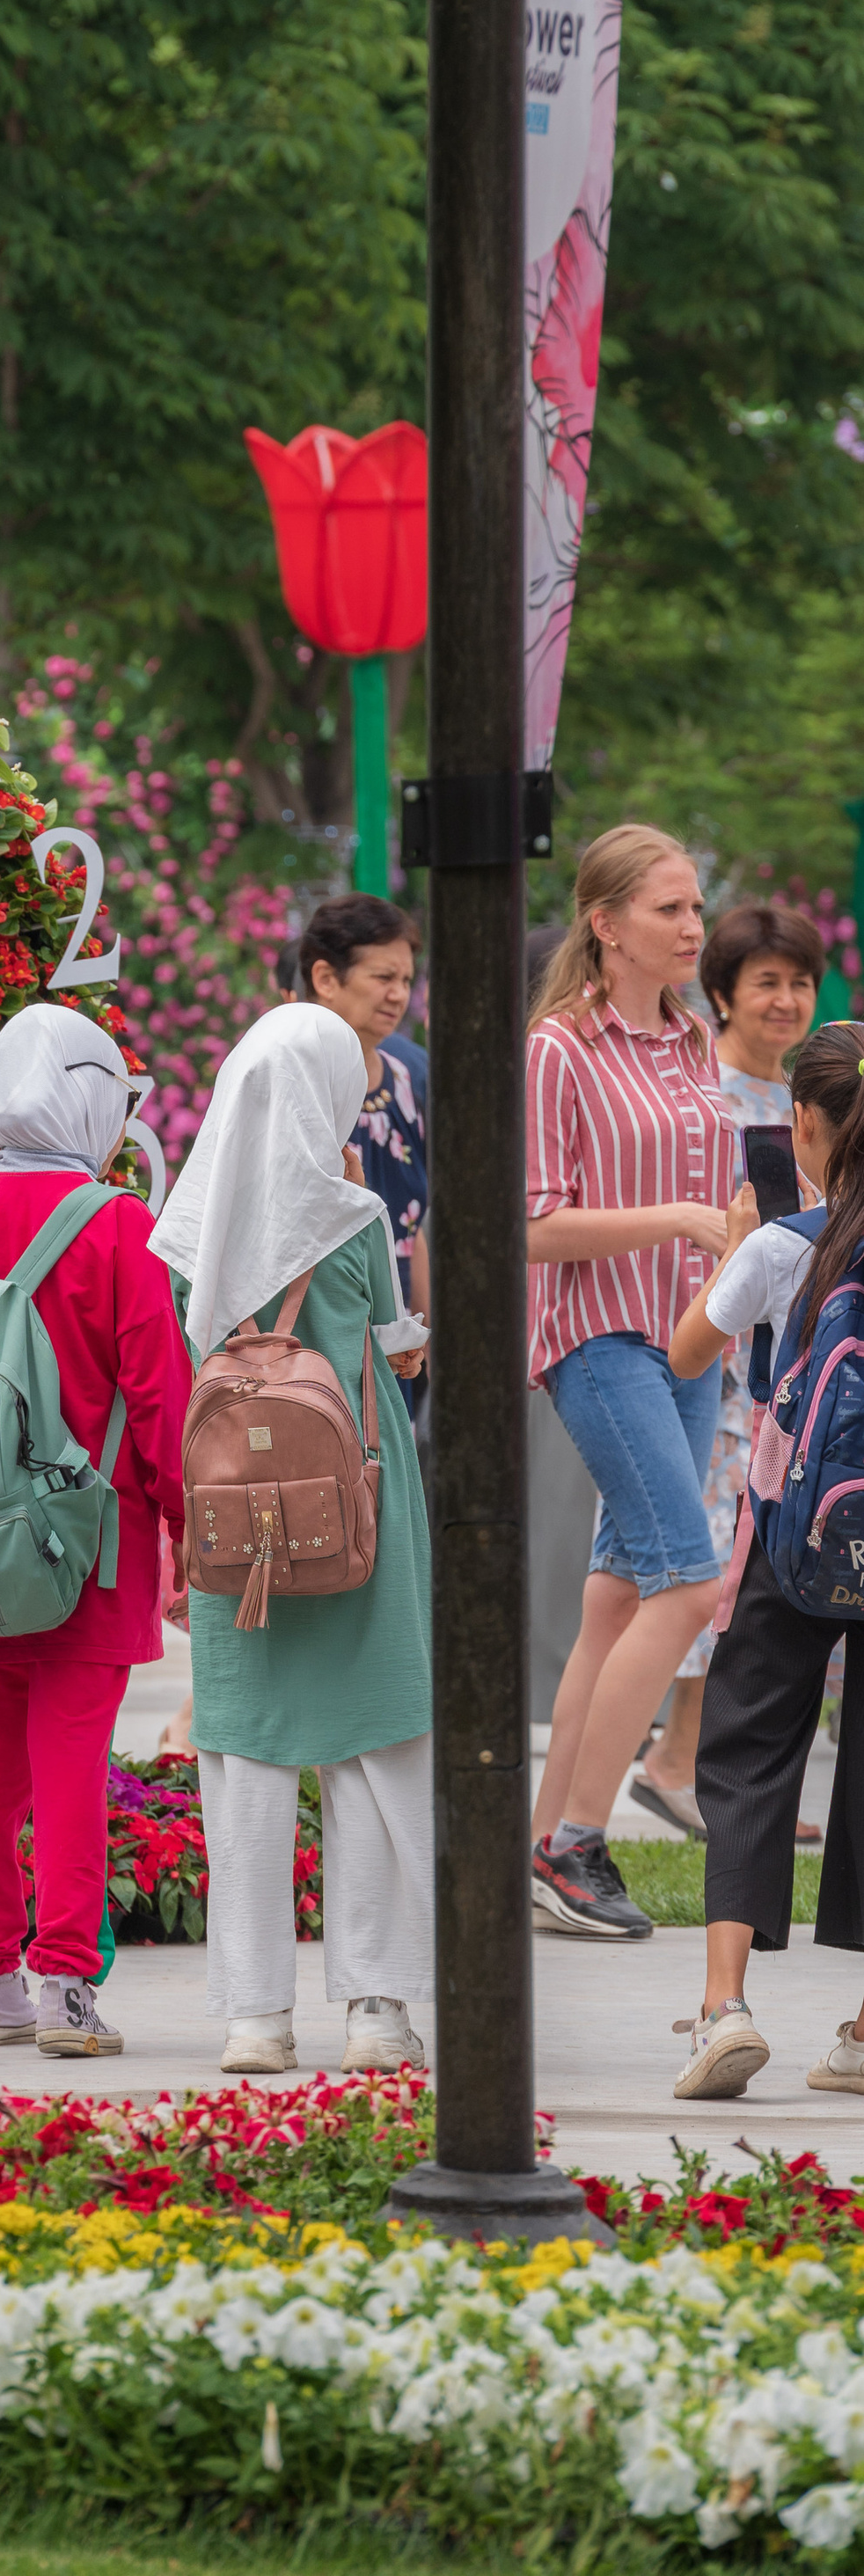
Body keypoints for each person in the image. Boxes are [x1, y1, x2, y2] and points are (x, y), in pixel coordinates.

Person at [149, 1001, 432, 2077]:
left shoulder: (187, 1221)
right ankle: (373, 2009)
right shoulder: (351, 1213)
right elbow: (391, 1342)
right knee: (371, 1750)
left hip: (236, 1519)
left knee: (249, 1762)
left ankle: (253, 2018)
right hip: (350, 1505)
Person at [0, 1006, 188, 2060]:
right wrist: (188, 1523)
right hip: (92, 1536)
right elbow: (155, 1389)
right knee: (74, 1759)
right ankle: (66, 1987)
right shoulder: (118, 1222)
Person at [525, 823, 739, 1940]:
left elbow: (713, 1213)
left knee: (616, 1602)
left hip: (691, 1345)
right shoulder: (558, 1046)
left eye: (695, 906)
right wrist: (675, 1220)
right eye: (668, 908)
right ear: (605, 925)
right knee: (688, 1588)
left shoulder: (695, 1042)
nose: (692, 926)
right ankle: (574, 1845)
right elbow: (530, 1227)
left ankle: (547, 1839)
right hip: (600, 1342)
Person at [672, 1022, 864, 2101]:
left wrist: (738, 1241)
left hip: (794, 1536)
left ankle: (723, 2005)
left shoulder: (782, 1243)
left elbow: (686, 1351)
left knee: (746, 1750)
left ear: (802, 1124)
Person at [634, 897, 824, 1838]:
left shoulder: (818, 1104)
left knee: (759, 1561)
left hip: (803, 1380)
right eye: (765, 984)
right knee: (718, 1566)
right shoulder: (705, 1104)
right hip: (719, 1371)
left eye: (798, 983)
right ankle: (681, 1760)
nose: (784, 1001)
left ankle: (721, 1772)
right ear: (722, 996)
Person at [291, 894, 430, 1328]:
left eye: (407, 980)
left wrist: (418, 1332)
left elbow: (411, 1230)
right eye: (384, 977)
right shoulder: (292, 1080)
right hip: (311, 1342)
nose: (399, 995)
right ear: (326, 978)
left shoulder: (407, 1081)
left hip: (394, 1344)